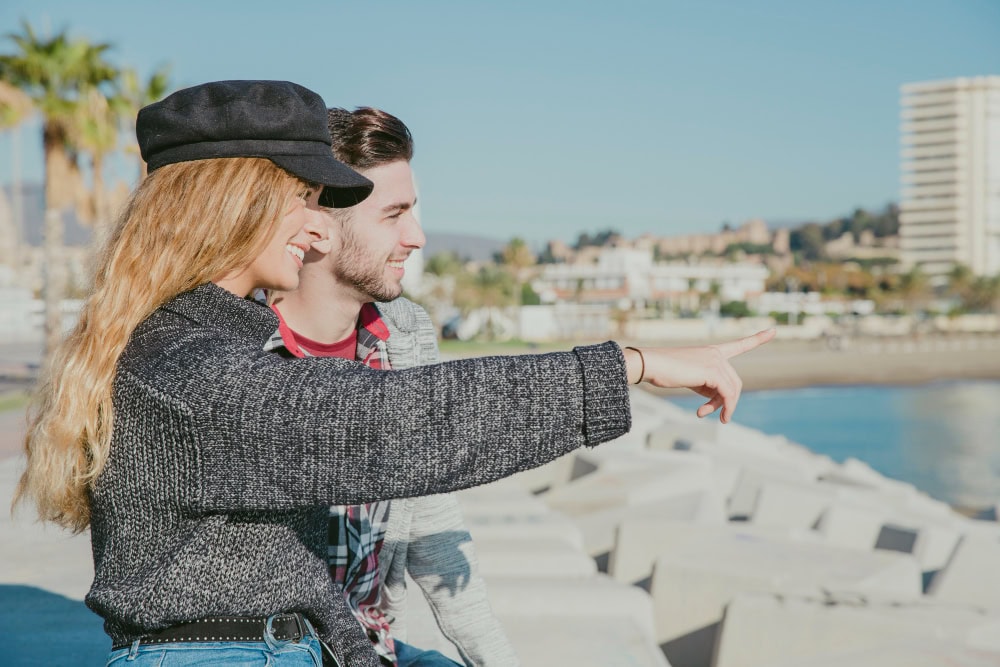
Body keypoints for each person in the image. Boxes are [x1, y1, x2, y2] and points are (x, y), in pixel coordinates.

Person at [14, 79, 773, 667]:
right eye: (302, 201)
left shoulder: (190, 343)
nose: (316, 226)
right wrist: (629, 366)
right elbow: (395, 424)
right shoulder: (184, 366)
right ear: (228, 207)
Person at [266, 106, 518, 667]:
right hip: (271, 650)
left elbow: (431, 518)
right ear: (320, 224)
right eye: (394, 214)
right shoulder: (240, 342)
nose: (418, 236)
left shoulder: (404, 336)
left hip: (370, 648)